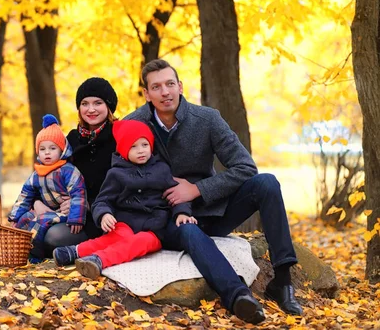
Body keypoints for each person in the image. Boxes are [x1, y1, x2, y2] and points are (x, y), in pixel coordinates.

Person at [124, 59, 303, 325]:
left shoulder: (207, 119)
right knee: (187, 230)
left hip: (212, 211)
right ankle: (238, 296)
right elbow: (117, 174)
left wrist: (196, 189)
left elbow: (245, 167)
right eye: (157, 87)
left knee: (267, 182)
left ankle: (283, 282)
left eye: (170, 84)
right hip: (167, 221)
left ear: (180, 87)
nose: (165, 92)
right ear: (147, 94)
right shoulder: (133, 124)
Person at [52, 119, 196, 279]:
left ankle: (98, 260)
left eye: (144, 145)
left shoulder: (161, 169)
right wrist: (104, 214)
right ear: (122, 150)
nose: (140, 150)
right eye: (133, 146)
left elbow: (177, 194)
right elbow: (102, 200)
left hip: (153, 228)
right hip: (125, 222)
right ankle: (74, 251)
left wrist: (182, 212)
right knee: (114, 237)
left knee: (139, 242)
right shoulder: (116, 173)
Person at [35, 78, 119, 249]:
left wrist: (86, 204)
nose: (91, 109)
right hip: (70, 214)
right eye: (84, 103)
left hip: (107, 215)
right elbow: (49, 172)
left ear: (108, 106)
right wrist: (37, 202)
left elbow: (126, 181)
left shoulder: (119, 135)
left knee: (52, 238)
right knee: (31, 230)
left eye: (98, 103)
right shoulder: (71, 139)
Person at [8, 114, 87, 263]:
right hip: (47, 211)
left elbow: (78, 193)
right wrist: (15, 216)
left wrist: (76, 218)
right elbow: (25, 194)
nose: (47, 152)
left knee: (40, 221)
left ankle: (35, 255)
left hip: (64, 214)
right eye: (43, 149)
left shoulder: (68, 170)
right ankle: (16, 251)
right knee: (26, 218)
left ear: (62, 150)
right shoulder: (37, 173)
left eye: (52, 148)